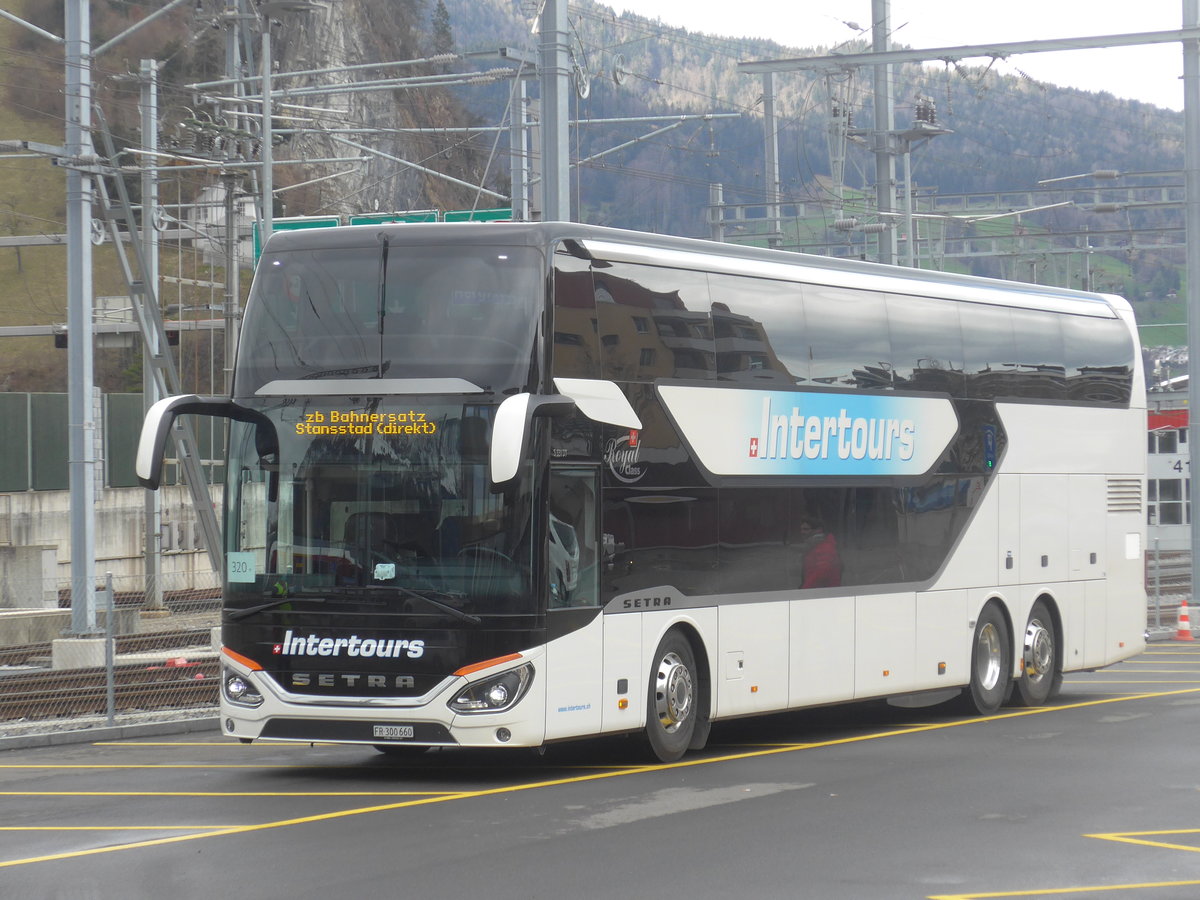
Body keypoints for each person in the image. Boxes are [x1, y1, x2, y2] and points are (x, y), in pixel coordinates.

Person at [798, 514, 841, 588]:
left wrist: (804, 590)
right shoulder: (814, 545)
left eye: (806, 529)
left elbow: (820, 574)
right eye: (801, 529)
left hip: (823, 593)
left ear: (818, 530)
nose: (802, 532)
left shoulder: (825, 548)